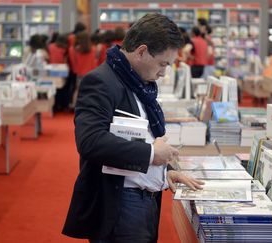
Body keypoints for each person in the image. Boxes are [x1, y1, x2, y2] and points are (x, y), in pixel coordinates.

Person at [62, 13, 203, 242]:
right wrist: (151, 154)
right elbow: (90, 141)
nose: (164, 72)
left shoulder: (139, 83)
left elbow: (140, 135)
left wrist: (165, 171)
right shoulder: (101, 82)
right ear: (141, 51)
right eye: (162, 63)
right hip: (119, 204)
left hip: (144, 199)